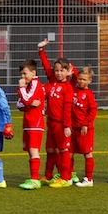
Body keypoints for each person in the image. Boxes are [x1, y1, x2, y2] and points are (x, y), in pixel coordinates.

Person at [37, 39, 74, 188]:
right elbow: (46, 66)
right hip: (51, 122)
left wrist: (67, 126)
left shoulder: (68, 88)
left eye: (62, 70)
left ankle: (65, 177)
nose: (58, 73)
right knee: (50, 149)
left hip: (61, 124)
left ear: (68, 71)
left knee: (64, 149)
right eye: (56, 70)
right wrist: (41, 50)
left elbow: (67, 109)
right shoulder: (52, 80)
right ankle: (49, 175)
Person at [17, 59, 46, 190]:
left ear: (33, 72)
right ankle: (33, 177)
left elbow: (26, 99)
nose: (23, 77)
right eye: (21, 74)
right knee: (30, 151)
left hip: (35, 123)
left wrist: (22, 89)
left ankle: (35, 179)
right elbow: (20, 104)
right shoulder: (29, 86)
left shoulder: (35, 84)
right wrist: (28, 103)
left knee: (34, 150)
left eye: (25, 73)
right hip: (28, 123)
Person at [72, 67, 98, 188]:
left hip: (84, 128)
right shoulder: (74, 90)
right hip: (73, 127)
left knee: (87, 153)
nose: (81, 81)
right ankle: (70, 175)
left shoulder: (89, 95)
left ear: (89, 81)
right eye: (80, 79)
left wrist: (86, 124)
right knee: (69, 152)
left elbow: (93, 111)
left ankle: (89, 178)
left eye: (84, 79)